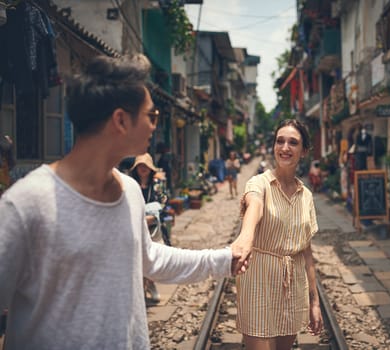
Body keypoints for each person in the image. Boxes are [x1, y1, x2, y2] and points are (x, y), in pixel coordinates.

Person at [0, 54, 247, 350]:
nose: (155, 126)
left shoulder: (130, 190)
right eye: (151, 116)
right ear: (120, 120)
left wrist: (222, 259)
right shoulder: (26, 204)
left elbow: (149, 258)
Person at [231, 119, 323, 350]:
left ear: (304, 151)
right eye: (280, 141)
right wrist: (246, 235)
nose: (285, 147)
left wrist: (315, 302)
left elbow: (307, 253)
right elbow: (254, 205)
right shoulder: (259, 183)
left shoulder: (306, 196)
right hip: (258, 281)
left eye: (293, 142)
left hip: (292, 286)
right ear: (273, 146)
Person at [130, 152, 170, 303]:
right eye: (140, 165)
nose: (143, 168)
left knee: (152, 259)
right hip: (135, 228)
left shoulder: (157, 185)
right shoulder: (131, 185)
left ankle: (151, 285)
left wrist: (151, 217)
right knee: (138, 260)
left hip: (153, 229)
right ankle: (142, 290)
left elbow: (164, 203)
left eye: (145, 165)